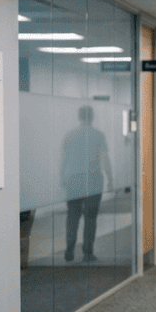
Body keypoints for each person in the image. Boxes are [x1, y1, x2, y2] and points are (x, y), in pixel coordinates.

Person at [60, 105, 112, 263]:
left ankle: (69, 249)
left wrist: (62, 177)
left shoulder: (69, 136)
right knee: (90, 218)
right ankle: (88, 252)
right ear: (92, 117)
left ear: (79, 116)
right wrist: (111, 178)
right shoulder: (98, 135)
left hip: (74, 179)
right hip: (93, 180)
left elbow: (64, 160)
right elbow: (104, 159)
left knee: (72, 217)